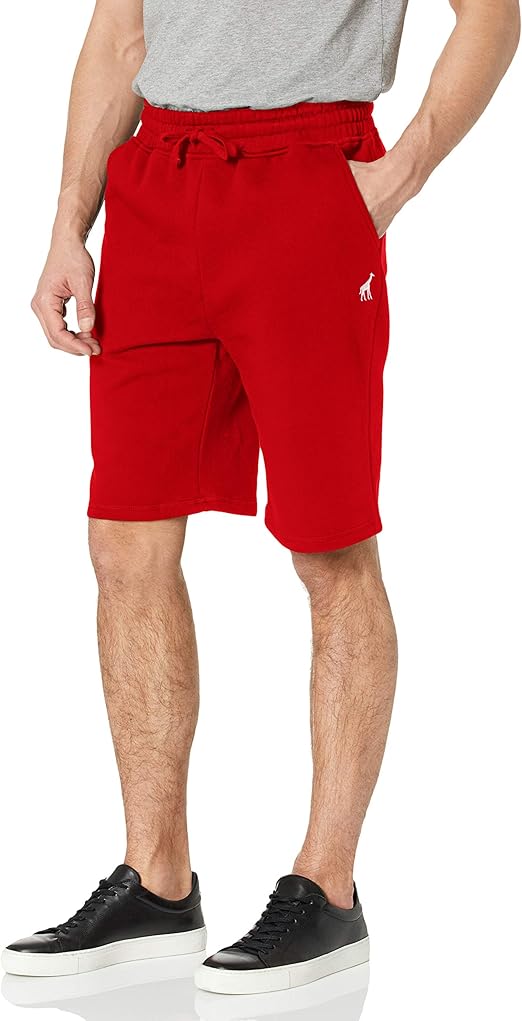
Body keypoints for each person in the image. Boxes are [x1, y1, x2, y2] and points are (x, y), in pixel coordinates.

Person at [2, 0, 519, 994]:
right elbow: (121, 33)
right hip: (159, 182)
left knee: (330, 543)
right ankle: (157, 881)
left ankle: (327, 889)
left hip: (310, 175)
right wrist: (70, 222)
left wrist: (398, 176)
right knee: (123, 539)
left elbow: (492, 14)